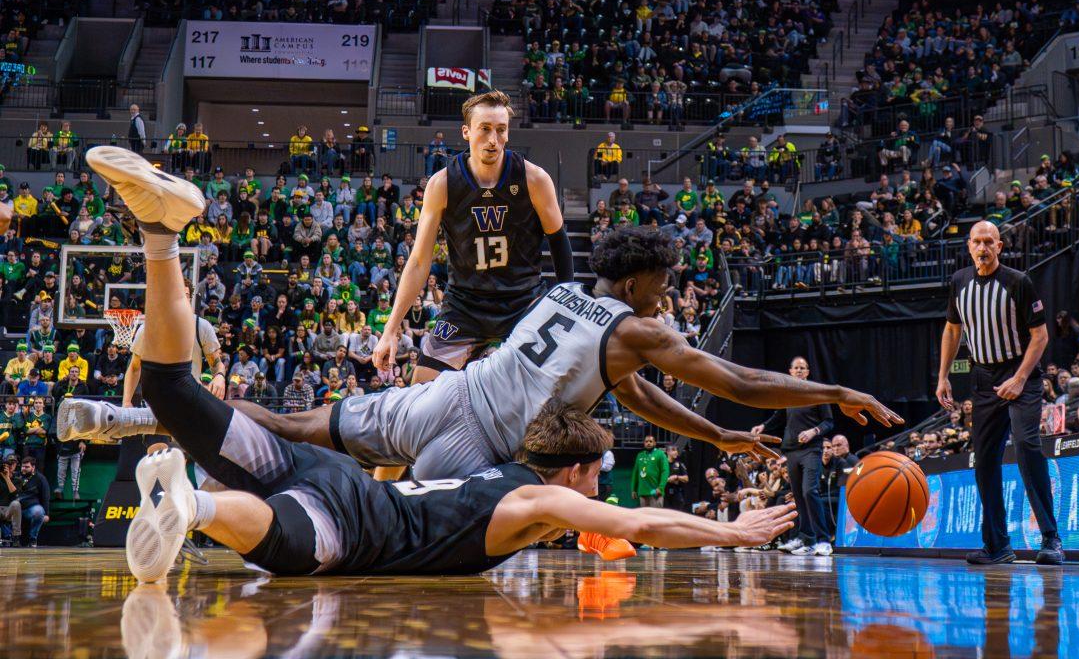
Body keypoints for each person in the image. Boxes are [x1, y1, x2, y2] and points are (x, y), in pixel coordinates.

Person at [50, 157, 799, 579]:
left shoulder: (568, 313)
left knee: (171, 384)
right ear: (566, 473)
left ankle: (160, 234)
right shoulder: (532, 495)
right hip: (359, 516)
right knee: (286, 543)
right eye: (596, 476)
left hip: (372, 438)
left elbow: (625, 401)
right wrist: (733, 533)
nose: (599, 487)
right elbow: (633, 521)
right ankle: (196, 506)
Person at [371, 90, 573, 387]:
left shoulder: (534, 178)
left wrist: (565, 303)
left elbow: (559, 241)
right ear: (466, 132)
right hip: (465, 305)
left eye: (501, 130)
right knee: (421, 386)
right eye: (485, 129)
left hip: (523, 301)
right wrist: (390, 329)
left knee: (552, 387)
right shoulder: (442, 184)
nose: (494, 139)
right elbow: (418, 261)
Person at [936, 221, 1062, 565]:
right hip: (983, 378)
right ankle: (997, 544)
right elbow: (952, 328)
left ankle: (1051, 538)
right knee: (985, 461)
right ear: (968, 246)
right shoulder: (959, 282)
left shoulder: (1018, 282)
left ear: (1000, 246)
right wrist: (943, 376)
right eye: (977, 242)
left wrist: (1020, 379)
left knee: (1026, 446)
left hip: (1020, 374)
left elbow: (1041, 337)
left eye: (989, 242)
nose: (983, 247)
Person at [751, 355, 835, 556]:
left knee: (809, 491)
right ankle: (805, 539)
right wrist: (764, 426)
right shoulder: (787, 394)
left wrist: (813, 431)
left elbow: (829, 422)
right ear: (790, 371)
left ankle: (823, 540)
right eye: (795, 367)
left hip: (811, 450)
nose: (799, 371)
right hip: (792, 451)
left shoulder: (817, 393)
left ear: (807, 372)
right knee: (798, 496)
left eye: (802, 368)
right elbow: (779, 416)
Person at [16, 454, 49, 547]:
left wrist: (46, 513)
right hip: (16, 507)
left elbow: (46, 496)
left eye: (27, 467)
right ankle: (11, 538)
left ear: (33, 467)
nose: (24, 469)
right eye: (22, 466)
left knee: (38, 512)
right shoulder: (16, 476)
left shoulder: (40, 478)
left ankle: (32, 539)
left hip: (30, 507)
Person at [631, 434, 668, 509]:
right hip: (643, 492)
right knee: (644, 517)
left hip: (656, 492)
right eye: (646, 441)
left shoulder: (660, 454)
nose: (648, 443)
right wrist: (633, 489)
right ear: (644, 443)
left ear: (655, 443)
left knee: (656, 517)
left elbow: (665, 472)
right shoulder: (640, 455)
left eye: (651, 441)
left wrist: (660, 488)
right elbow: (635, 473)